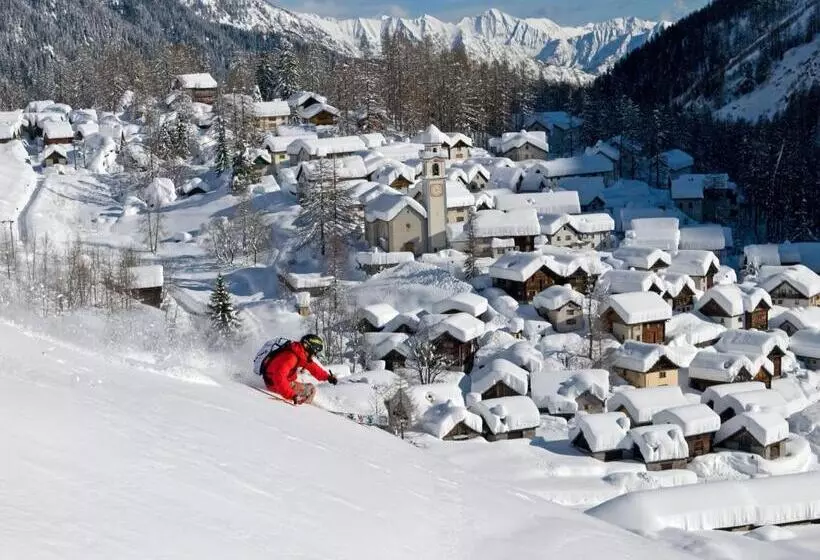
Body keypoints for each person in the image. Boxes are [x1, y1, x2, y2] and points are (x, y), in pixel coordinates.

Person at [262, 334, 337, 404]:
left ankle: (300, 400)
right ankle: (304, 409)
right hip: (274, 384)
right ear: (309, 349)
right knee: (311, 390)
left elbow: (314, 368)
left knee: (306, 385)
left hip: (275, 380)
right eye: (315, 352)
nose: (315, 355)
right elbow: (279, 377)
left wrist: (327, 377)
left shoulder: (299, 353)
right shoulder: (291, 357)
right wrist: (291, 395)